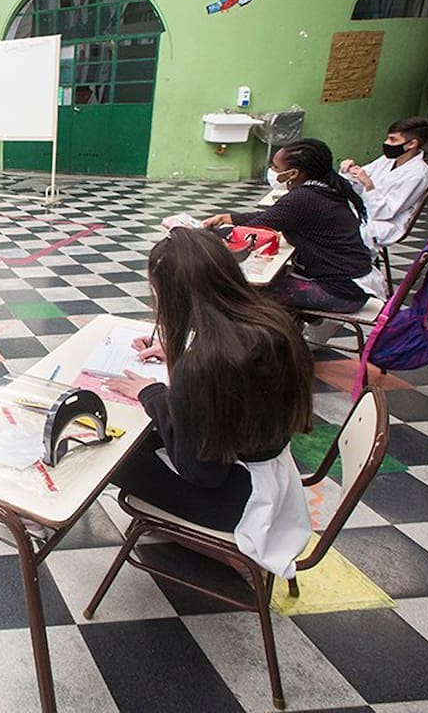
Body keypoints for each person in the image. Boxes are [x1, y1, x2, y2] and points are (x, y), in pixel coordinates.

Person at [104, 227, 314, 578]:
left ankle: (199, 536)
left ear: (175, 295)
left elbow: (201, 473)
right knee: (145, 435)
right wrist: (178, 354)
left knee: (112, 453)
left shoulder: (201, 367)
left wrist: (152, 394)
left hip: (238, 504)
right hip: (277, 479)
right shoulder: (274, 322)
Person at [203, 138, 381, 313]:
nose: (271, 170)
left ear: (294, 173)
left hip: (343, 291)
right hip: (354, 281)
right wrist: (229, 218)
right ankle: (294, 326)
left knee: (237, 292)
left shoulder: (303, 198)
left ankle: (269, 337)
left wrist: (200, 238)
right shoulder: (325, 187)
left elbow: (252, 231)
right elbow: (274, 216)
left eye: (275, 167)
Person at [339, 116, 428, 250]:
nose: (386, 143)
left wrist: (369, 185)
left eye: (393, 139)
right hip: (365, 210)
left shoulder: (418, 174)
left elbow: (385, 212)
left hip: (385, 224)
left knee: (331, 224)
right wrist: (349, 170)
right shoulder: (388, 160)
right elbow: (357, 181)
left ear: (411, 144)